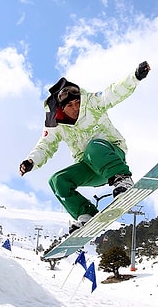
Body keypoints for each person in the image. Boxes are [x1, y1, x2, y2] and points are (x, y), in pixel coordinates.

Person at [19, 61, 151, 233]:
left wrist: (135, 77)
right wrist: (31, 161)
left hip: (111, 155)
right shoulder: (55, 124)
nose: (76, 108)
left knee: (93, 147)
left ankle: (122, 179)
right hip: (90, 168)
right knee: (57, 181)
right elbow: (45, 145)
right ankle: (86, 214)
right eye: (70, 106)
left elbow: (113, 93)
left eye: (77, 103)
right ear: (61, 109)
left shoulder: (92, 103)